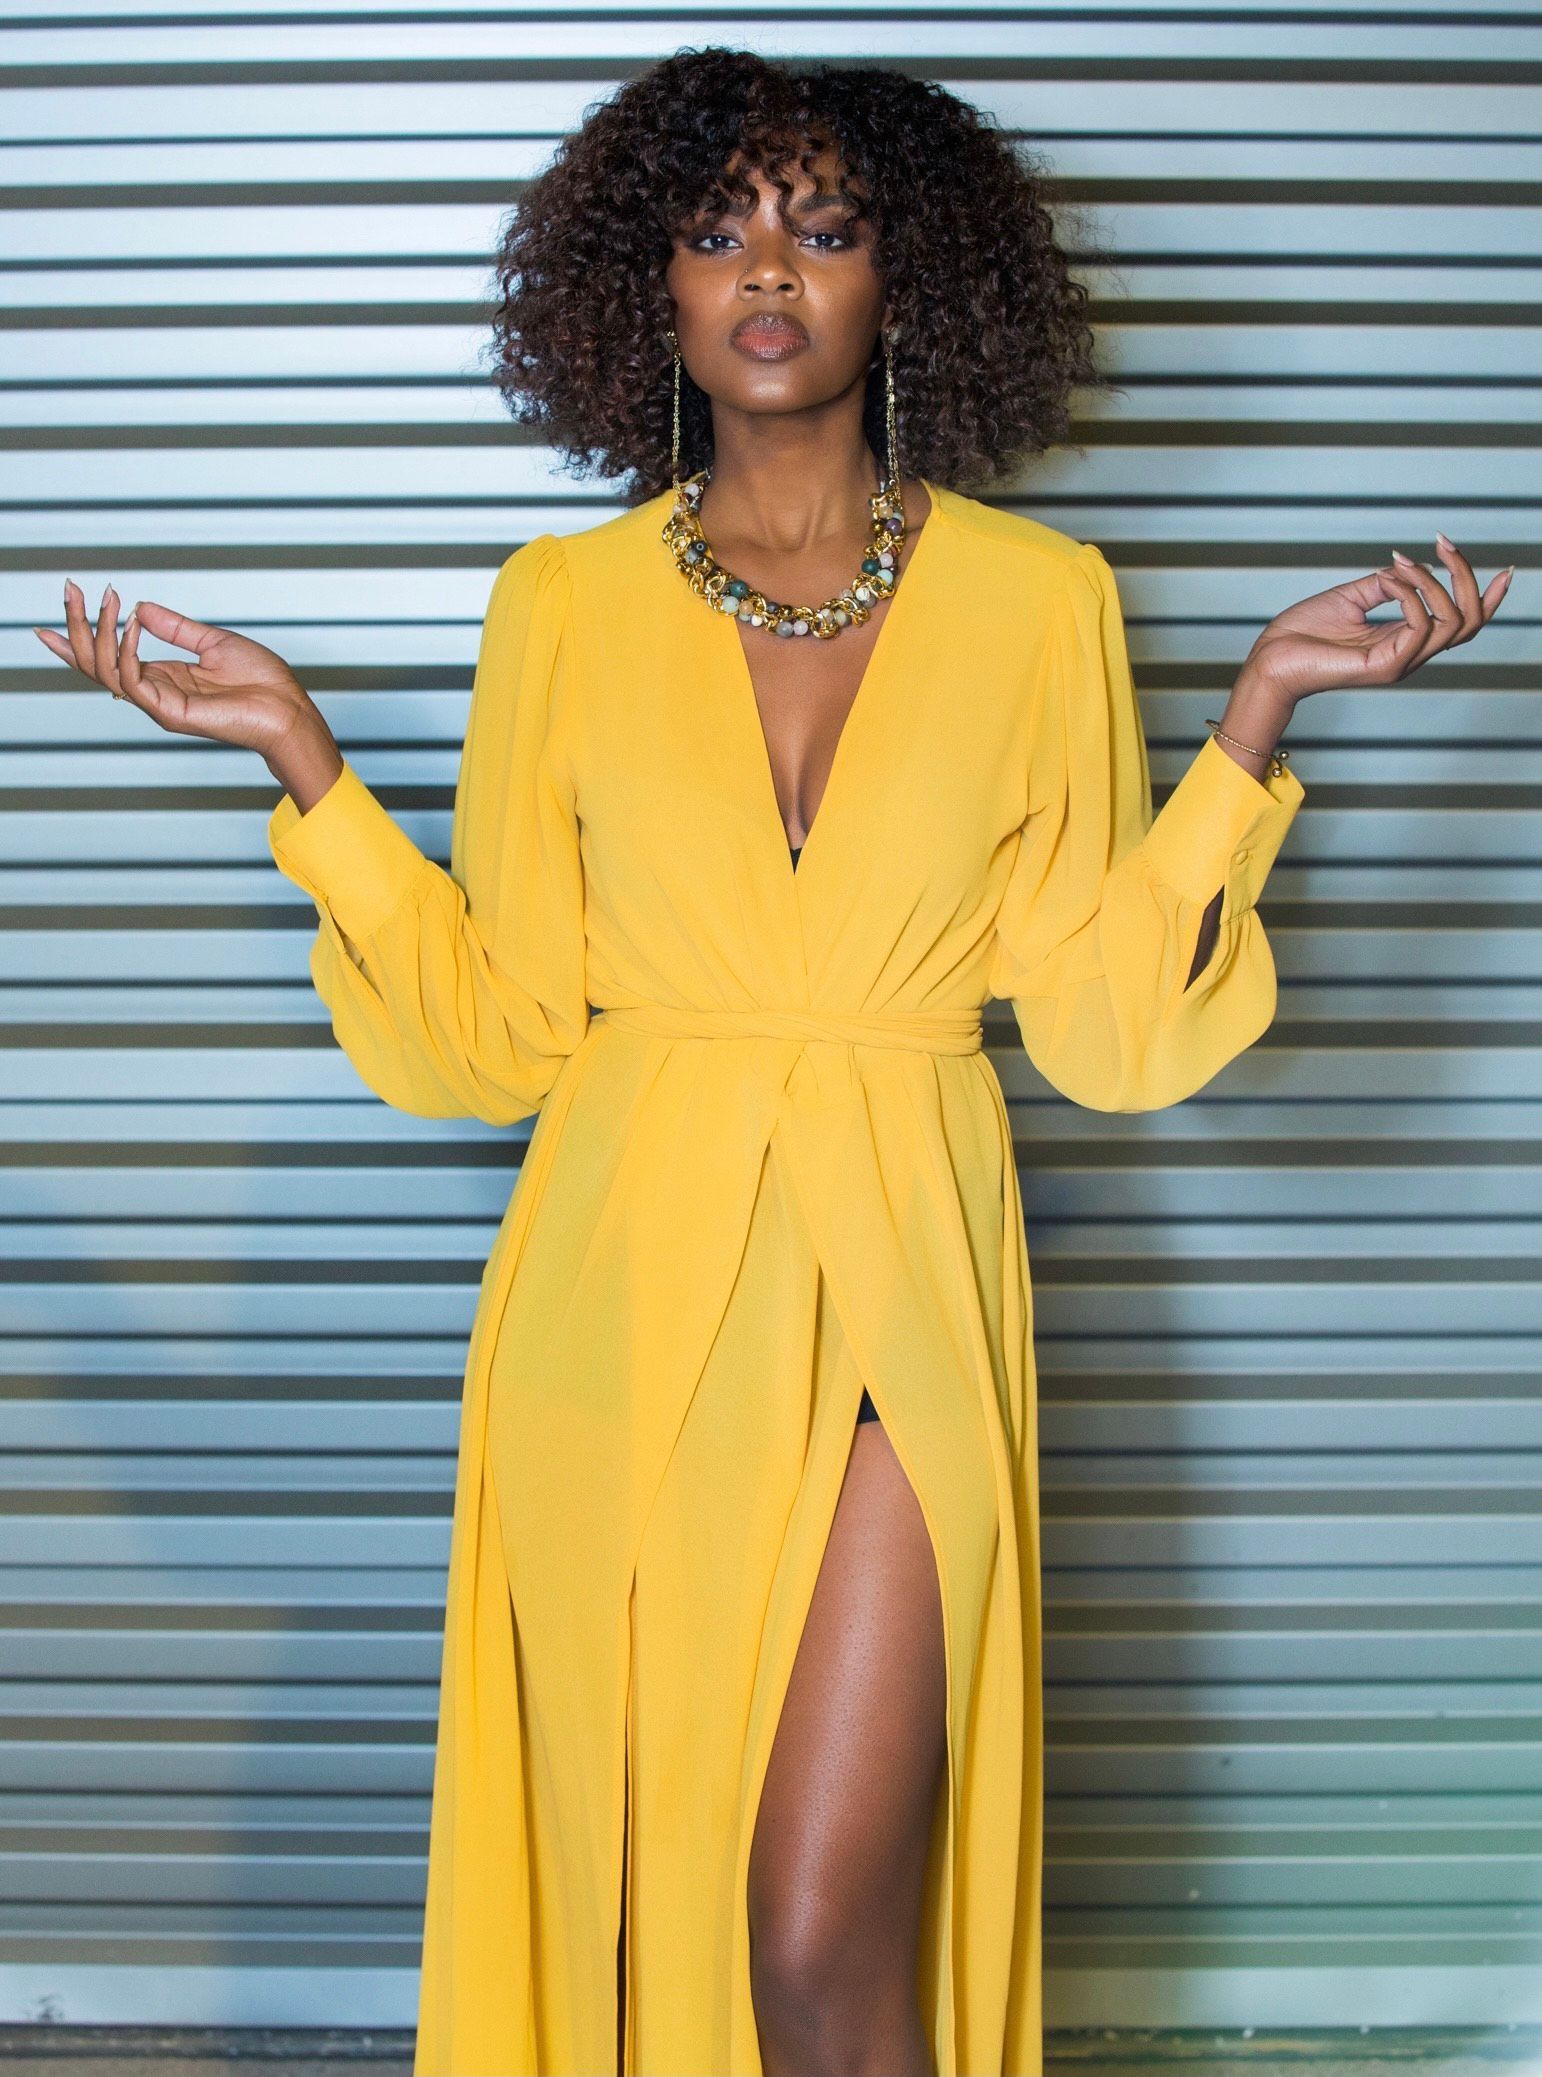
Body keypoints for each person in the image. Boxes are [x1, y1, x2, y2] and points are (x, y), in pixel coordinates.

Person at [35, 46, 1513, 2077]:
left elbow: (1101, 1021)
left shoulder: (1041, 602)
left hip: (906, 1250)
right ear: (643, 283)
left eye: (826, 228)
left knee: (816, 1932)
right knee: (651, 1913)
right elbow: (501, 1036)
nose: (768, 271)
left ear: (909, 282)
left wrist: (1257, 720)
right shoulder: (555, 608)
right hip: (622, 1289)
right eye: (719, 226)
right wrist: (311, 773)